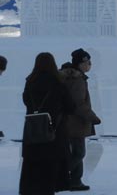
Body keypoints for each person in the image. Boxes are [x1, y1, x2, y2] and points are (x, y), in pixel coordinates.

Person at [19, 52, 74, 195]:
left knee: (32, 165)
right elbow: (70, 106)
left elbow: (26, 101)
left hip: (33, 129)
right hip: (54, 131)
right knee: (51, 167)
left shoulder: (30, 82)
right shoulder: (59, 83)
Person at [60, 49, 101, 192]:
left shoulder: (72, 76)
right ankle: (58, 176)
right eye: (87, 62)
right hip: (75, 122)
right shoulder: (77, 80)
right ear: (80, 63)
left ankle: (76, 181)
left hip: (70, 121)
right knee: (79, 153)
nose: (90, 65)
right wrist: (93, 117)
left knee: (76, 151)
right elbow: (79, 103)